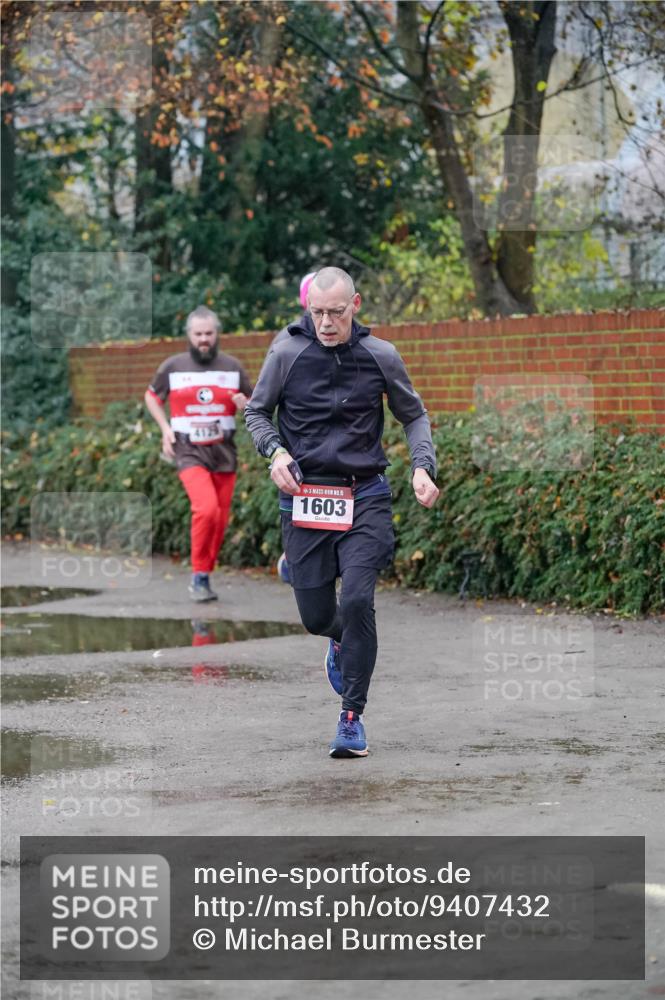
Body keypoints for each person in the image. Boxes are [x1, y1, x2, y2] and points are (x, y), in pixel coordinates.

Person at [245, 267, 439, 758]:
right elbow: (256, 411)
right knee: (318, 618)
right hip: (306, 496)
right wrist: (275, 453)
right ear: (307, 308)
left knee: (357, 601)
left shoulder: (381, 356)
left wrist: (422, 467)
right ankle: (335, 636)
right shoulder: (287, 353)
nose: (326, 323)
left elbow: (413, 415)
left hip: (365, 495)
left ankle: (351, 717)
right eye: (317, 313)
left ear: (356, 304)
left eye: (335, 312)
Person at [144, 306, 252, 602]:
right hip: (188, 451)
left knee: (219, 519)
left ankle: (205, 572)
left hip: (224, 453)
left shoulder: (232, 367)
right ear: (189, 335)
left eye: (209, 333)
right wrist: (165, 428)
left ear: (217, 334)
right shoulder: (173, 366)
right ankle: (199, 576)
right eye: (198, 334)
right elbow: (152, 396)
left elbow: (254, 404)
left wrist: (245, 404)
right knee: (205, 509)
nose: (203, 339)